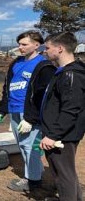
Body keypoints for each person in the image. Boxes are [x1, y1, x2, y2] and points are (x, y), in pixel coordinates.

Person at [0, 30, 56, 192]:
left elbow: (44, 95)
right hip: (14, 110)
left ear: (37, 45)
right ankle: (36, 172)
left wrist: (30, 118)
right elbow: (7, 87)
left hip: (29, 113)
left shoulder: (43, 65)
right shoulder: (16, 63)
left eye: (24, 44)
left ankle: (33, 181)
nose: (20, 47)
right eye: (19, 44)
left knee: (31, 146)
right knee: (22, 145)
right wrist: (3, 109)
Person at [40, 32, 85, 201]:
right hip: (59, 133)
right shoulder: (64, 72)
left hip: (62, 136)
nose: (45, 51)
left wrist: (53, 135)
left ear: (59, 49)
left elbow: (70, 109)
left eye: (48, 48)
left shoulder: (71, 74)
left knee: (63, 175)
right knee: (66, 173)